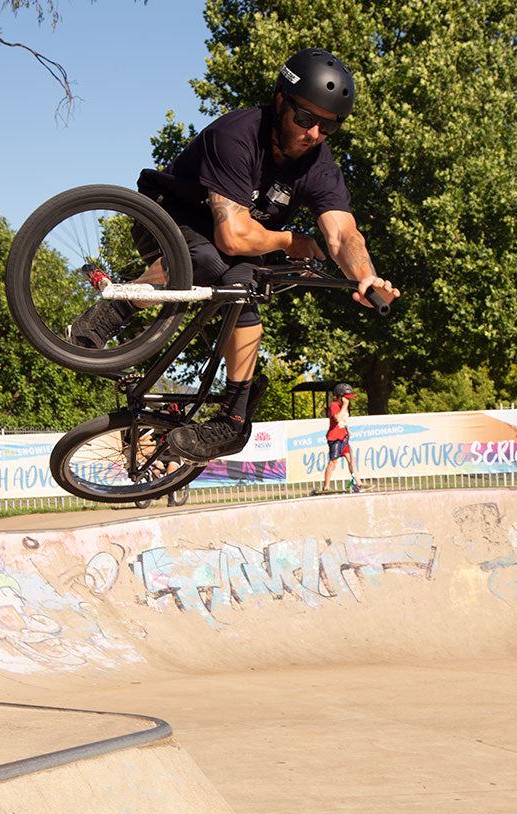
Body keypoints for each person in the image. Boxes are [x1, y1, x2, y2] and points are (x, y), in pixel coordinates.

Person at [68, 48, 400, 463]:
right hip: (169, 217)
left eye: (328, 126)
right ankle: (111, 313)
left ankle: (234, 417)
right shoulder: (238, 134)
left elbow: (342, 233)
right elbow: (233, 236)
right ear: (281, 101)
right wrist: (289, 241)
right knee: (206, 260)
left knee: (242, 287)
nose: (314, 133)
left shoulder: (319, 164)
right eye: (305, 119)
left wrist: (366, 275)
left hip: (230, 243)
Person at [315, 382, 360, 494]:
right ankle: (326, 486)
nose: (348, 401)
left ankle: (358, 481)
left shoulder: (344, 407)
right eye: (346, 398)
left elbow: (343, 421)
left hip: (343, 437)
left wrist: (347, 430)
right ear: (340, 397)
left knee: (351, 459)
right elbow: (336, 418)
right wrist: (344, 406)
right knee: (333, 461)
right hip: (334, 438)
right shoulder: (334, 405)